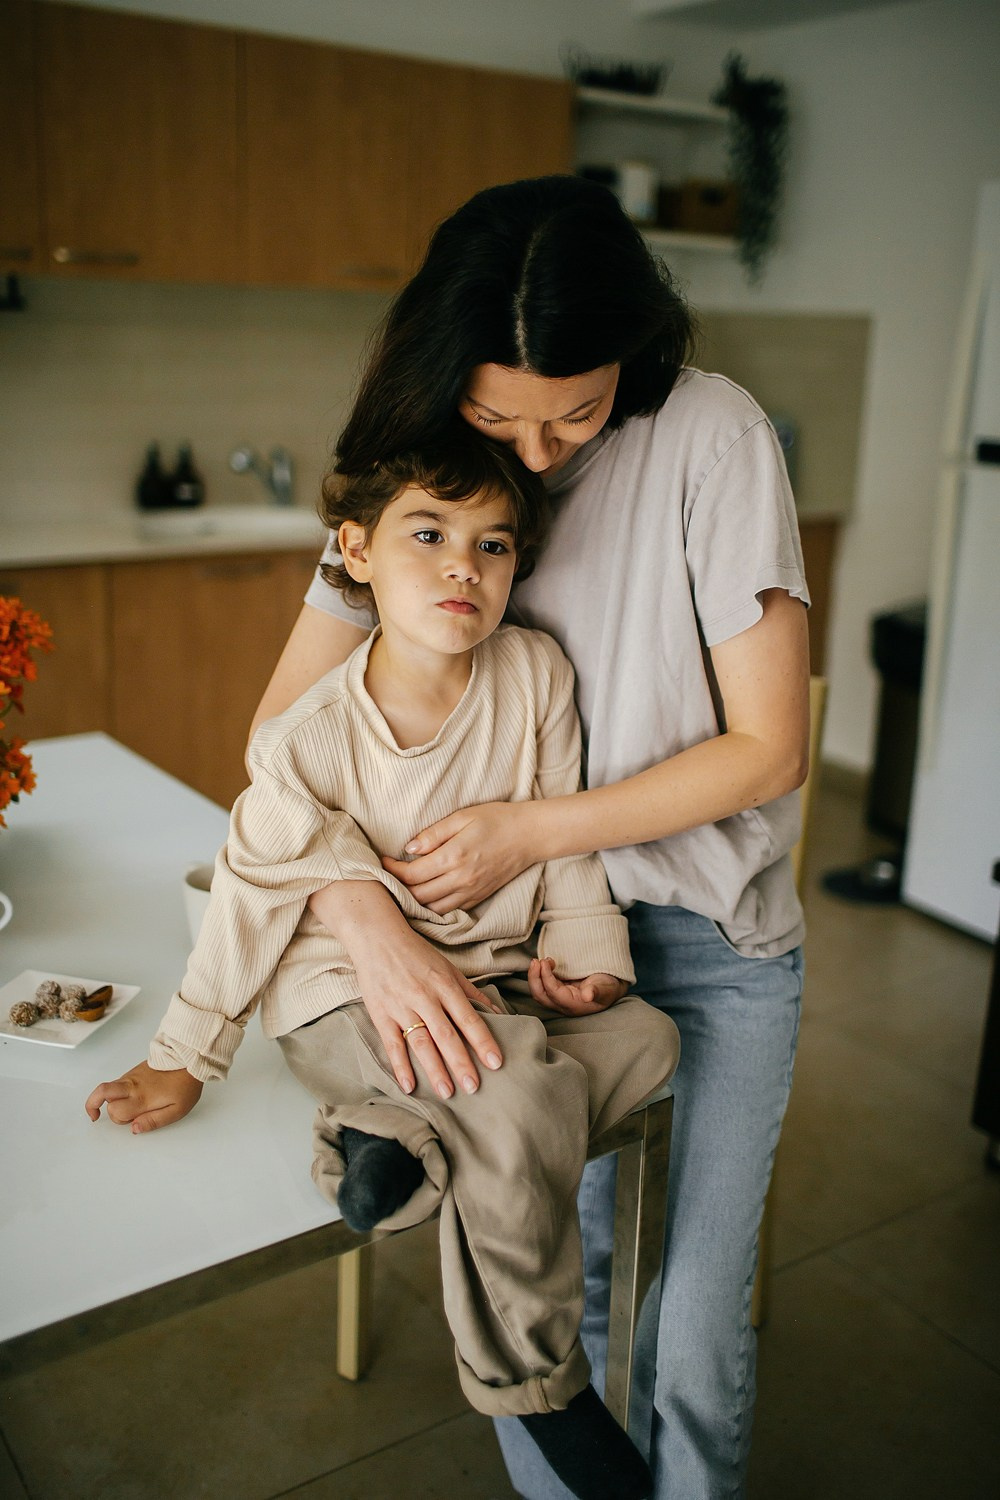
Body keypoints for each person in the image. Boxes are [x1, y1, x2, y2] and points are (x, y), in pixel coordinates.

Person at [249, 175, 811, 1500]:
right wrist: (369, 922)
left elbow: (770, 749)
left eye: (577, 408)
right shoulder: (426, 460)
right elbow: (280, 740)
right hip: (496, 955)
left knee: (687, 1332)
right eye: (505, 416)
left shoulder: (715, 435)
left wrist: (531, 830)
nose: (541, 452)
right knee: (560, 1283)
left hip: (708, 944)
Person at [85, 429, 679, 1500]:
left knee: (646, 1038)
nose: (465, 563)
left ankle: (397, 1138)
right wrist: (186, 1053)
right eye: (429, 532)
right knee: (516, 1091)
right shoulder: (304, 740)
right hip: (347, 998)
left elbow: (560, 834)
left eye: (494, 545)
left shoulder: (534, 674)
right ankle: (535, 1383)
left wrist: (580, 951)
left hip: (490, 985)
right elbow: (248, 901)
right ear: (354, 551)